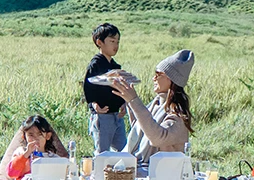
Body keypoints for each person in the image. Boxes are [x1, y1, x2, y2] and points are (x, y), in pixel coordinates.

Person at [111, 50, 193, 166]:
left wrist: (133, 100)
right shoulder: (157, 103)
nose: (154, 78)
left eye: (158, 74)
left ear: (171, 79)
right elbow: (142, 129)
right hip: (145, 167)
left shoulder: (178, 114)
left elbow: (157, 138)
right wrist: (127, 98)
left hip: (162, 172)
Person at [82, 23, 128, 153]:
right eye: (112, 41)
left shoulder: (116, 66)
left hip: (117, 115)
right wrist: (94, 104)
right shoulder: (95, 64)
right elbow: (88, 86)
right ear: (99, 42)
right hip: (102, 115)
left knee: (123, 150)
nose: (116, 45)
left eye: (118, 42)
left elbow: (119, 87)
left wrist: (123, 103)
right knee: (102, 151)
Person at [0, 114, 70, 180]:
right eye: (31, 135)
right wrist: (26, 155)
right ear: (24, 137)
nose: (35, 138)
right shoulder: (20, 152)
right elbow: (11, 173)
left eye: (40, 134)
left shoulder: (53, 158)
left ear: (47, 136)